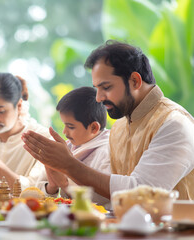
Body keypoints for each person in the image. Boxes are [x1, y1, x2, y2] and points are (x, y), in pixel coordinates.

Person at [22, 40, 194, 200]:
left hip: (175, 232)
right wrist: (61, 181)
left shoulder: (174, 124)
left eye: (106, 87)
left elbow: (143, 192)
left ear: (135, 81)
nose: (98, 98)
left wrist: (69, 165)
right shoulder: (119, 127)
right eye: (97, 88)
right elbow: (108, 197)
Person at [36, 86, 111, 207]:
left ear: (94, 128)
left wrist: (65, 184)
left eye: (70, 127)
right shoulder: (68, 146)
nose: (65, 132)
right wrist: (51, 186)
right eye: (64, 125)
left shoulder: (107, 152)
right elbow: (39, 190)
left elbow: (102, 197)